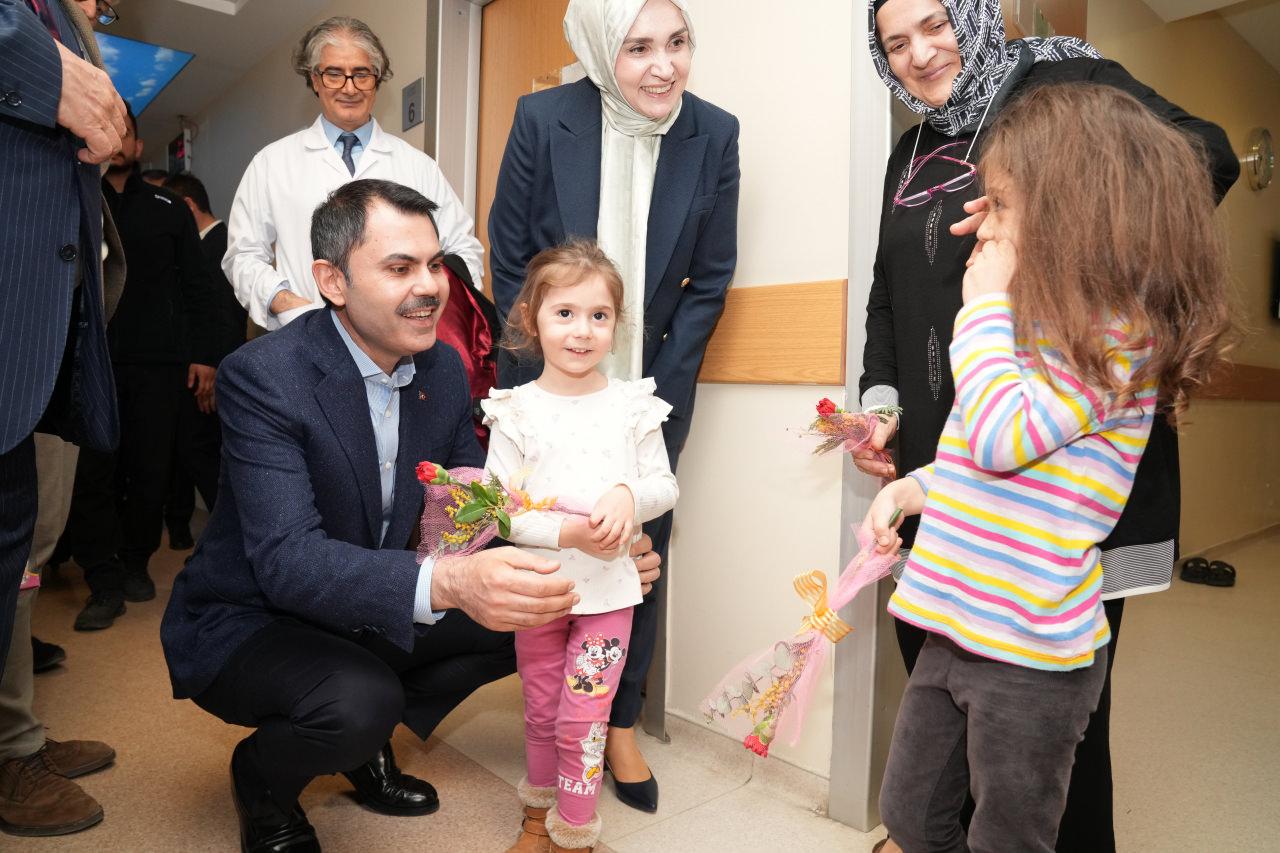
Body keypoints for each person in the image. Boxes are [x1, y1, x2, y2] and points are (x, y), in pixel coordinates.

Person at [160, 179, 662, 853]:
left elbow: (477, 507)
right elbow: (288, 561)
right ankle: (263, 779)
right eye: (400, 268)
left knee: (536, 609)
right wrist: (452, 582)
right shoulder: (265, 375)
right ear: (332, 281)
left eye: (435, 264)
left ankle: (364, 737)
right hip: (256, 614)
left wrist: (590, 550)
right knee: (359, 703)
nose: (429, 286)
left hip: (372, 592)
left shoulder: (443, 369)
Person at [858, 2, 1240, 849]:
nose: (919, 53)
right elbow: (888, 294)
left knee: (1042, 758)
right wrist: (900, 442)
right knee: (941, 721)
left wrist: (1026, 269)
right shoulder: (909, 152)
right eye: (895, 43)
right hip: (962, 497)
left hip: (1050, 529)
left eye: (935, 23)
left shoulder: (1070, 83)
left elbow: (1197, 157)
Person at [489, 0, 738, 810]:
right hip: (550, 384)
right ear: (602, 49)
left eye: (677, 43)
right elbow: (510, 256)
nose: (664, 66)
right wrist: (544, 375)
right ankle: (549, 710)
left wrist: (655, 390)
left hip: (647, 387)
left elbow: (710, 281)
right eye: (638, 48)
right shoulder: (542, 119)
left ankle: (618, 718)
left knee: (640, 547)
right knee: (548, 535)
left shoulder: (715, 132)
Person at [484, 241, 679, 853]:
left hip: (609, 597)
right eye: (564, 313)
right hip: (538, 593)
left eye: (599, 315)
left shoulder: (632, 407)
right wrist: (567, 534)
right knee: (542, 710)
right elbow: (499, 511)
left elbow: (664, 486)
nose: (582, 330)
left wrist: (628, 494)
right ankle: (538, 815)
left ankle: (574, 829)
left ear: (616, 324)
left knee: (583, 718)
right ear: (531, 319)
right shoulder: (514, 411)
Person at [0, 0, 126, 672]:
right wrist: (51, 73)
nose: (99, 9)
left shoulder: (62, 25)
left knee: (21, 534)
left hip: (33, 350)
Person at [58, 102, 217, 632]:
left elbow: (197, 287)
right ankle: (102, 579)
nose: (117, 139)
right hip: (89, 362)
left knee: (151, 470)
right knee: (93, 472)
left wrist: (204, 355)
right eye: (107, 127)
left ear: (138, 145)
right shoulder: (75, 196)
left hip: (159, 364)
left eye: (125, 131)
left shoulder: (169, 208)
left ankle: (134, 562)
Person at [224, 15, 484, 331]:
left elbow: (463, 250)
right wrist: (287, 304)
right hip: (306, 333)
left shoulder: (418, 166)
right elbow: (243, 256)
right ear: (315, 79)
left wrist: (432, 311)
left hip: (401, 339)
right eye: (334, 74)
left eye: (361, 74)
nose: (349, 88)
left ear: (377, 80)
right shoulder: (271, 163)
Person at [162, 171, 247, 550]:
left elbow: (226, 316)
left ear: (187, 207)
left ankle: (229, 543)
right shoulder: (204, 245)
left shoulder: (220, 246)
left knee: (205, 454)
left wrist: (213, 369)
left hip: (215, 373)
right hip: (206, 371)